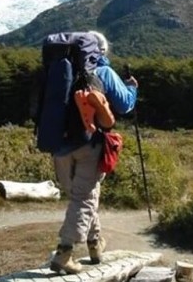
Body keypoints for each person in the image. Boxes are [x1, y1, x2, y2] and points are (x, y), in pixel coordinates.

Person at [49, 30, 138, 274]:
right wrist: (132, 89)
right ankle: (63, 253)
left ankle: (95, 245)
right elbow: (125, 105)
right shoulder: (103, 72)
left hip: (58, 144)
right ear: (102, 51)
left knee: (83, 195)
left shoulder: (58, 70)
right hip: (90, 143)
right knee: (84, 198)